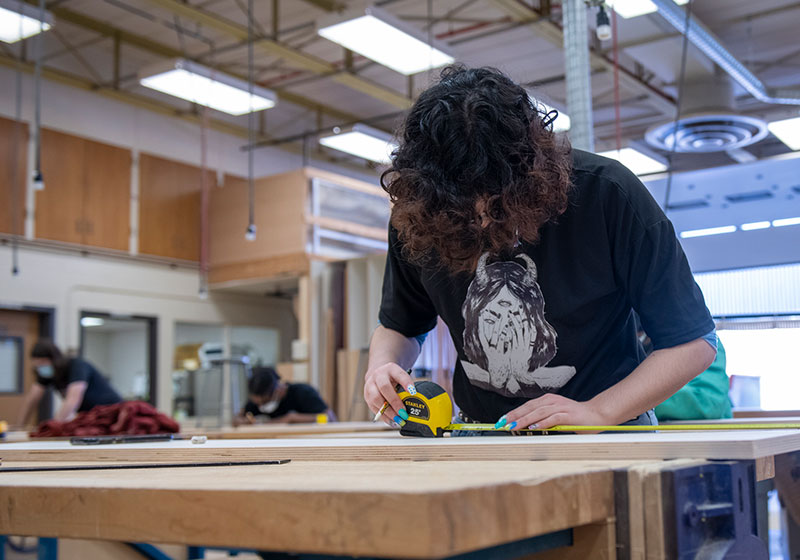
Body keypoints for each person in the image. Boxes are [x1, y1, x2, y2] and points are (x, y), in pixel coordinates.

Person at [364, 65, 717, 432]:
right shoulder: (420, 213)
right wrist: (381, 369)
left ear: (533, 171)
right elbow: (401, 326)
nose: (482, 221)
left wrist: (599, 411)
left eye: (495, 204)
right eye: (462, 211)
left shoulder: (608, 195)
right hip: (482, 432)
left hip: (605, 428)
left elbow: (693, 343)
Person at [16, 339, 123, 427]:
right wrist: (20, 426)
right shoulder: (48, 374)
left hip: (112, 411)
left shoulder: (77, 365)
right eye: (37, 365)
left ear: (54, 359)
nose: (40, 367)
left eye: (43, 363)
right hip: (91, 415)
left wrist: (54, 426)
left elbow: (72, 400)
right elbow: (32, 399)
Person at [233, 366, 334, 426]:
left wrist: (292, 418)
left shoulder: (303, 392)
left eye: (264, 402)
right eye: (257, 403)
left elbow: (329, 418)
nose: (260, 406)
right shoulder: (257, 400)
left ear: (278, 389)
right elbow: (237, 419)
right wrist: (244, 422)